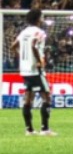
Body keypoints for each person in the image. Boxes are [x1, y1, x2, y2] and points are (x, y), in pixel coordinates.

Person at [16, 8, 54, 136]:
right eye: (42, 16)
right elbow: (33, 45)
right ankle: (45, 129)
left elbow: (13, 46)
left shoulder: (23, 32)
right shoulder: (40, 32)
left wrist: (22, 58)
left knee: (28, 99)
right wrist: (40, 60)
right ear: (38, 18)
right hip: (35, 69)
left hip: (24, 69)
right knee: (47, 98)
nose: (43, 18)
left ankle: (29, 130)